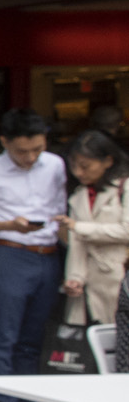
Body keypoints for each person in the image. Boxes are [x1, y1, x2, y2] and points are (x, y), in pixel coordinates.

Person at [0, 109, 70, 402]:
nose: (30, 157)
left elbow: (60, 204)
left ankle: (30, 400)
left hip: (48, 254)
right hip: (11, 253)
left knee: (34, 335)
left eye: (37, 149)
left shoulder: (54, 164)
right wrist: (8, 224)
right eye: (22, 151)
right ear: (4, 142)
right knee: (5, 334)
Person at [61, 129, 128, 358]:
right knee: (93, 348)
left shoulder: (125, 187)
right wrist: (74, 277)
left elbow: (127, 231)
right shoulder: (78, 195)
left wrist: (80, 227)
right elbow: (76, 244)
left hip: (119, 277)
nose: (79, 172)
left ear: (108, 161)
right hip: (90, 282)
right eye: (74, 166)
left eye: (85, 166)